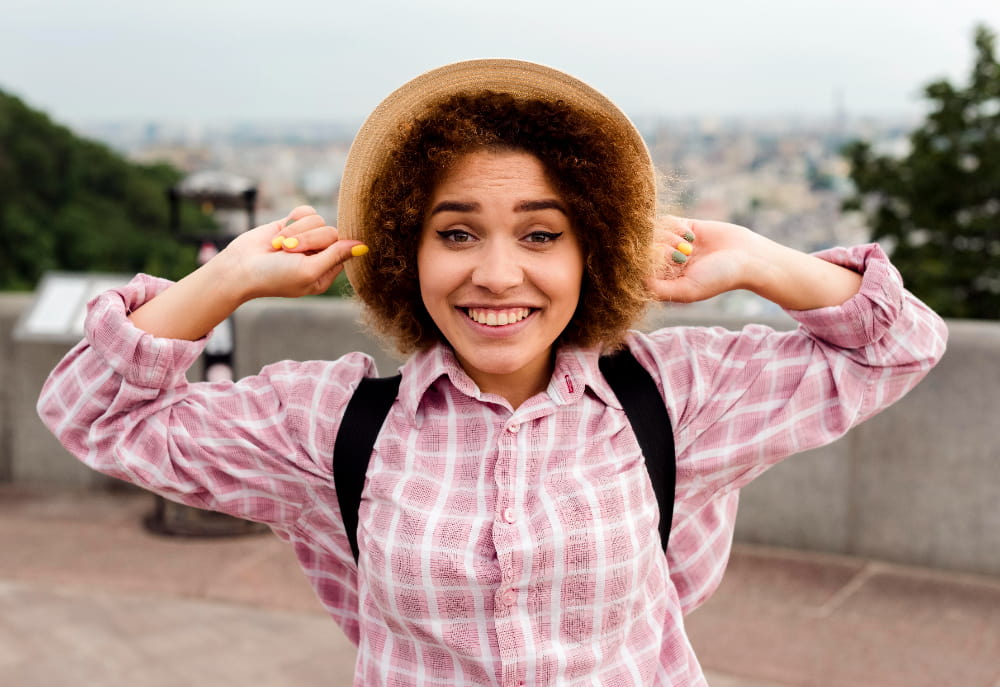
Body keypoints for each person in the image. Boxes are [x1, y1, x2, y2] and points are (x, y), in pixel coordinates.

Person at [38, 59, 947, 686]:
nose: (498, 274)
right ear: (407, 250)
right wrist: (229, 276)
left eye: (543, 234)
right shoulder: (333, 425)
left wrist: (752, 256)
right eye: (457, 232)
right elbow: (89, 412)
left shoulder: (674, 399)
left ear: (595, 248)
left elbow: (900, 341)